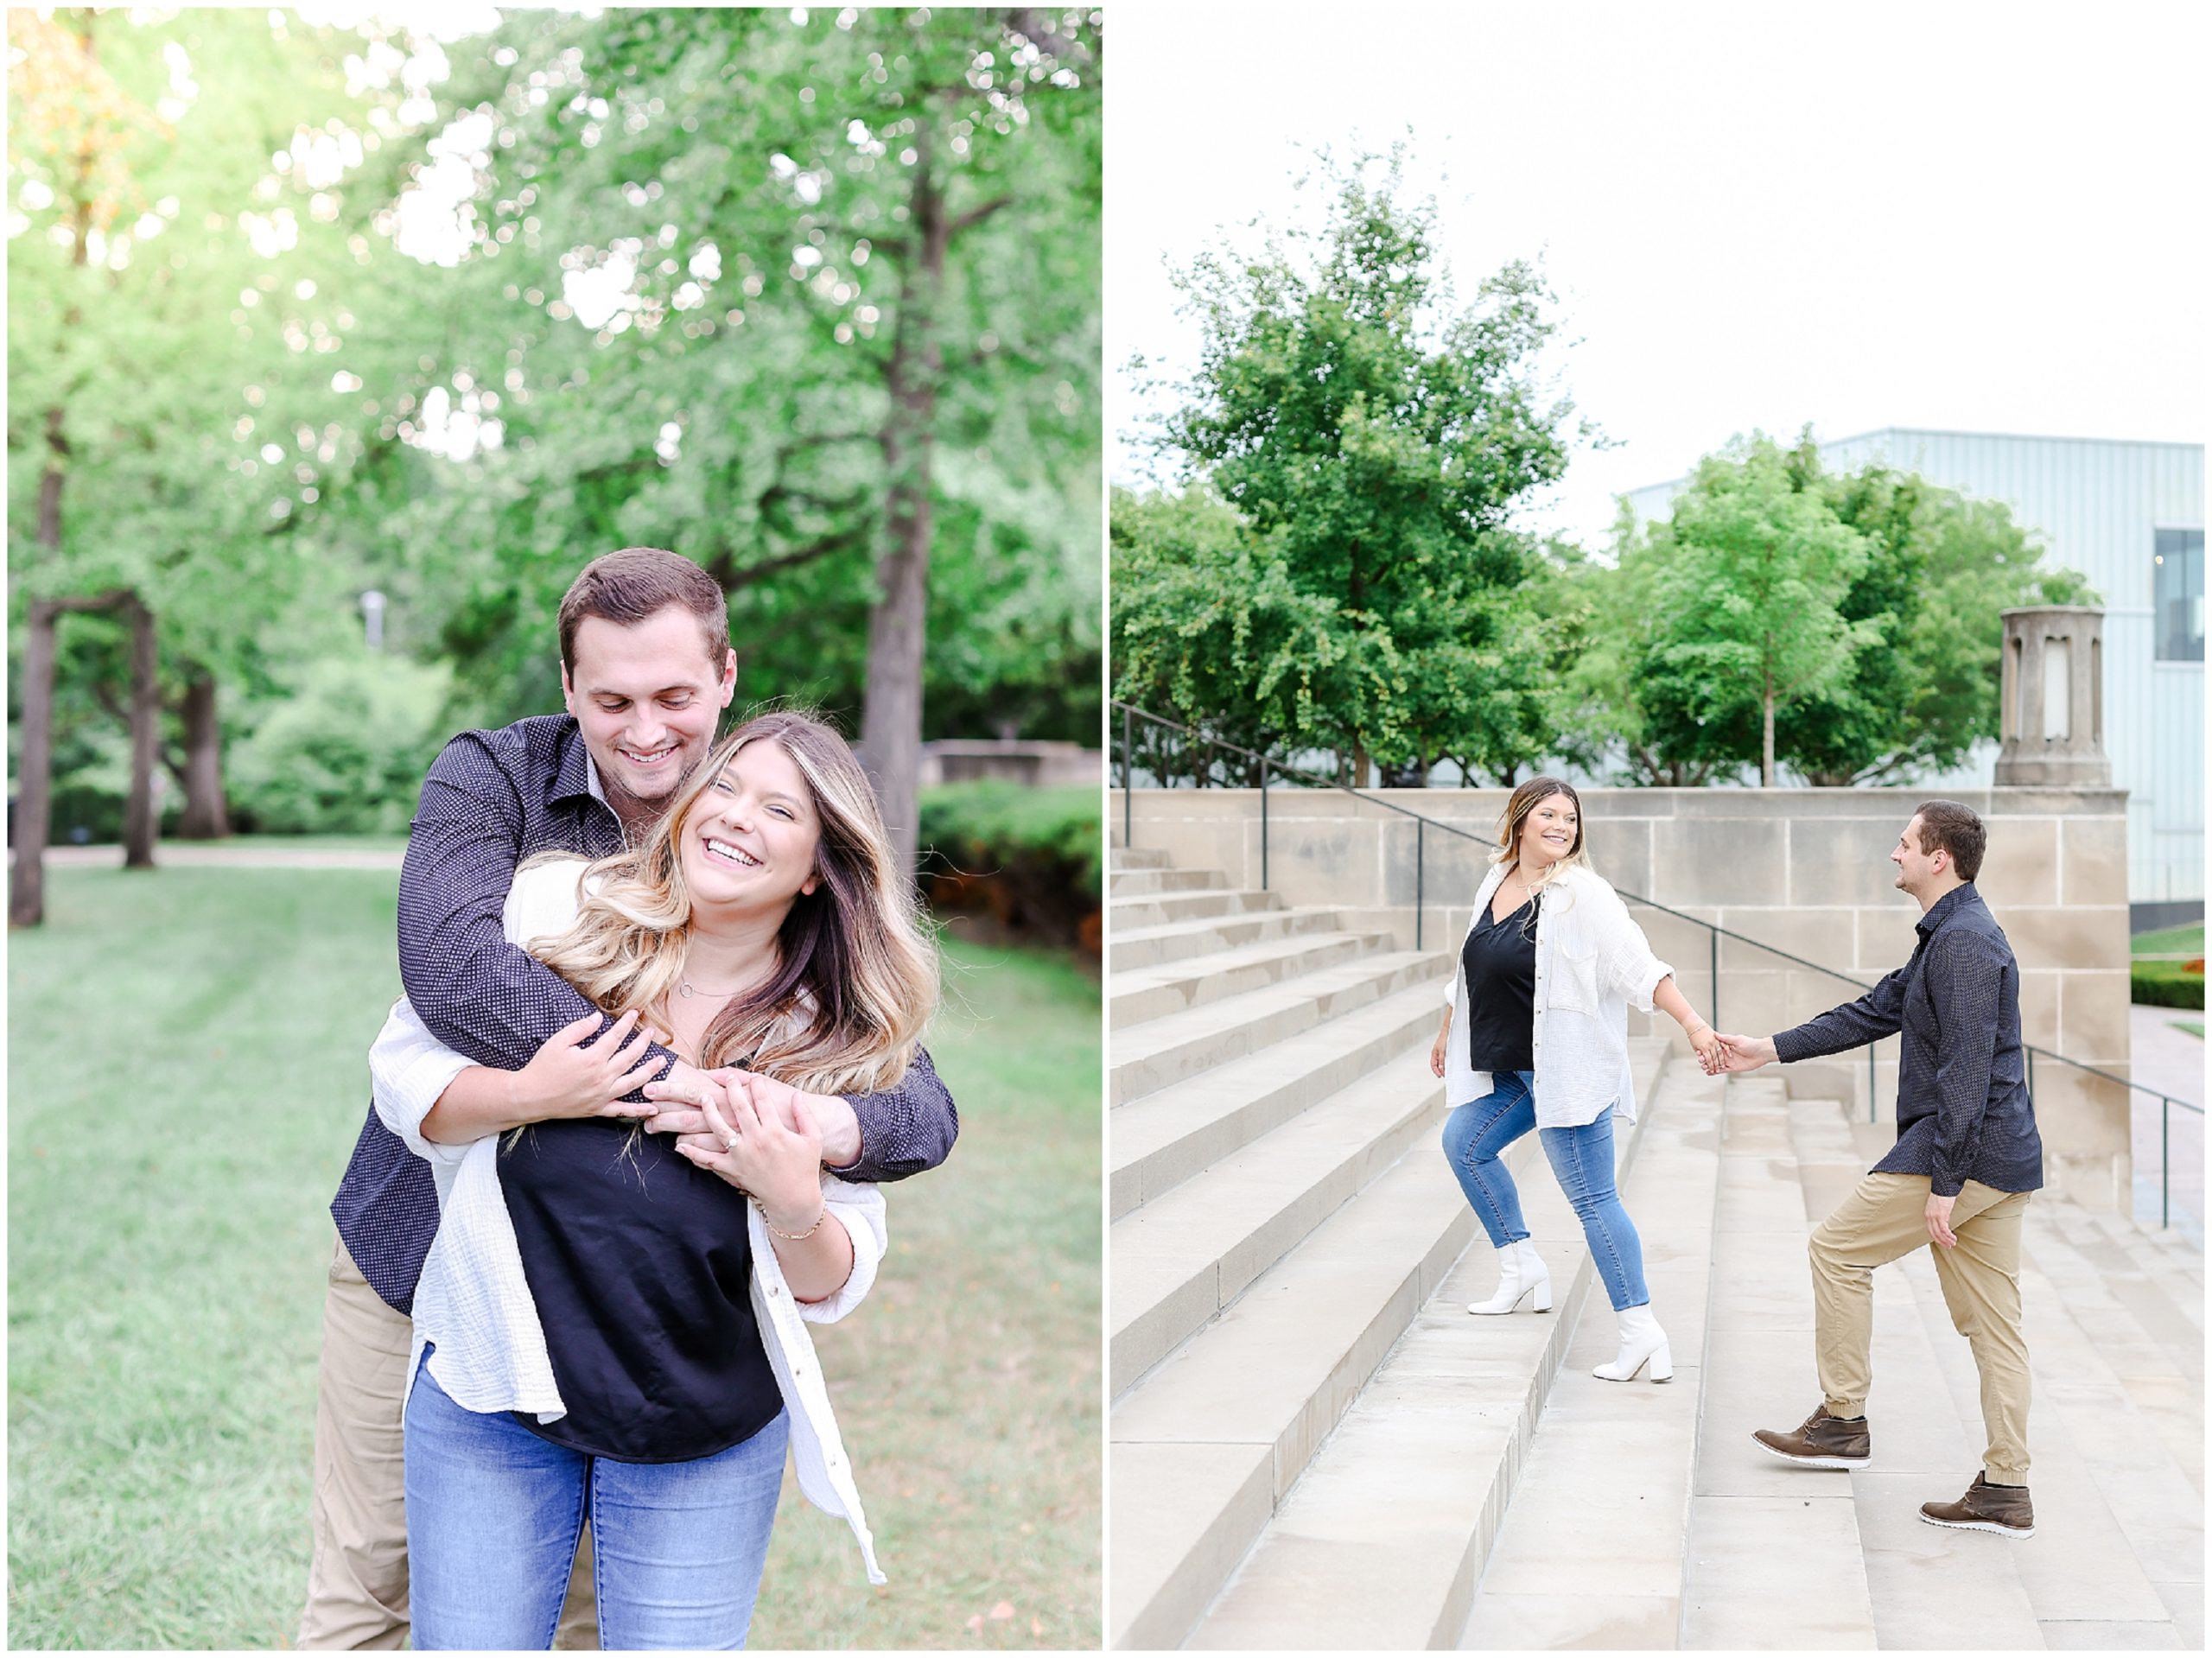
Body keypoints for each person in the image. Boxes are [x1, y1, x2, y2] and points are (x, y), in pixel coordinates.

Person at [299, 549, 959, 1649]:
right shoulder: (503, 791)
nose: (645, 731)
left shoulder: (760, 840)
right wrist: (690, 1090)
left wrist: (819, 1126)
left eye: (674, 698)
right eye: (610, 699)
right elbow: (454, 971)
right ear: (568, 688)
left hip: (634, 1315)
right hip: (422, 1243)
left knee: (589, 1612)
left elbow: (914, 1100)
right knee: (372, 1586)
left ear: (725, 677)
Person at [1716, 800, 2044, 1539]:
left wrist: (1946, 1184)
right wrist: (1769, 1046)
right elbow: (1872, 1011)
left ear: (1940, 857)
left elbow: (1964, 1071)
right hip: (2001, 1155)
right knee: (1996, 1330)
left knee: (1835, 1249)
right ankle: (2006, 1488)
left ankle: (1842, 1422)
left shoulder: (1963, 943)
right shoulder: (1949, 935)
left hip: (1965, 1152)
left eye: (1904, 843)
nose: (1893, 854)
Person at [1429, 778, 1726, 1382]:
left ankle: (1640, 1330)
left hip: (1567, 1073)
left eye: (1570, 817)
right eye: (1548, 814)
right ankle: (1521, 1268)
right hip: (1513, 1070)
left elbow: (1637, 966)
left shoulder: (1583, 894)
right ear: (1519, 821)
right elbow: (1468, 965)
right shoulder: (1497, 881)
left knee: (1593, 1200)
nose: (1561, 825)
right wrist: (1446, 1028)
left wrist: (1694, 1025)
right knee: (1465, 1142)